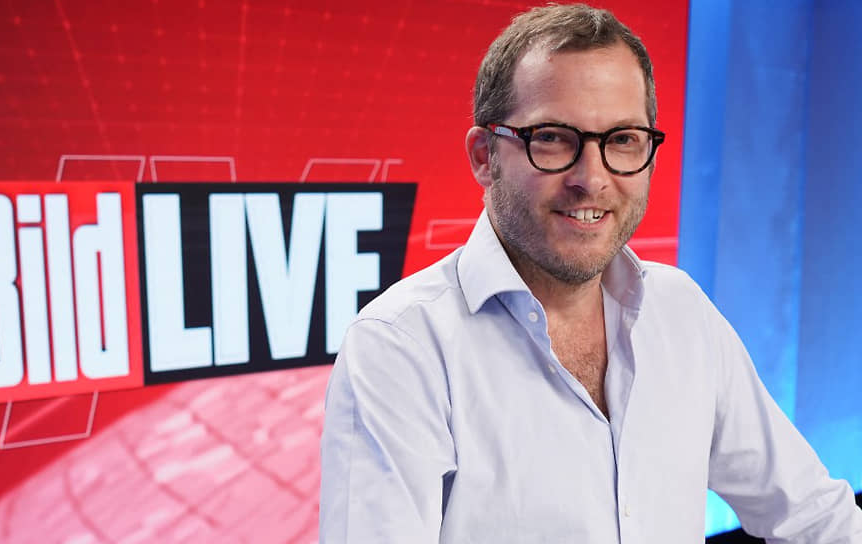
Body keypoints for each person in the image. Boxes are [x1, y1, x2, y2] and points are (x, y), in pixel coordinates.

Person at [318, 4, 862, 543]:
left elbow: (814, 516)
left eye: (622, 139)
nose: (592, 179)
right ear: (485, 156)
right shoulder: (401, 348)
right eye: (553, 137)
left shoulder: (681, 311)